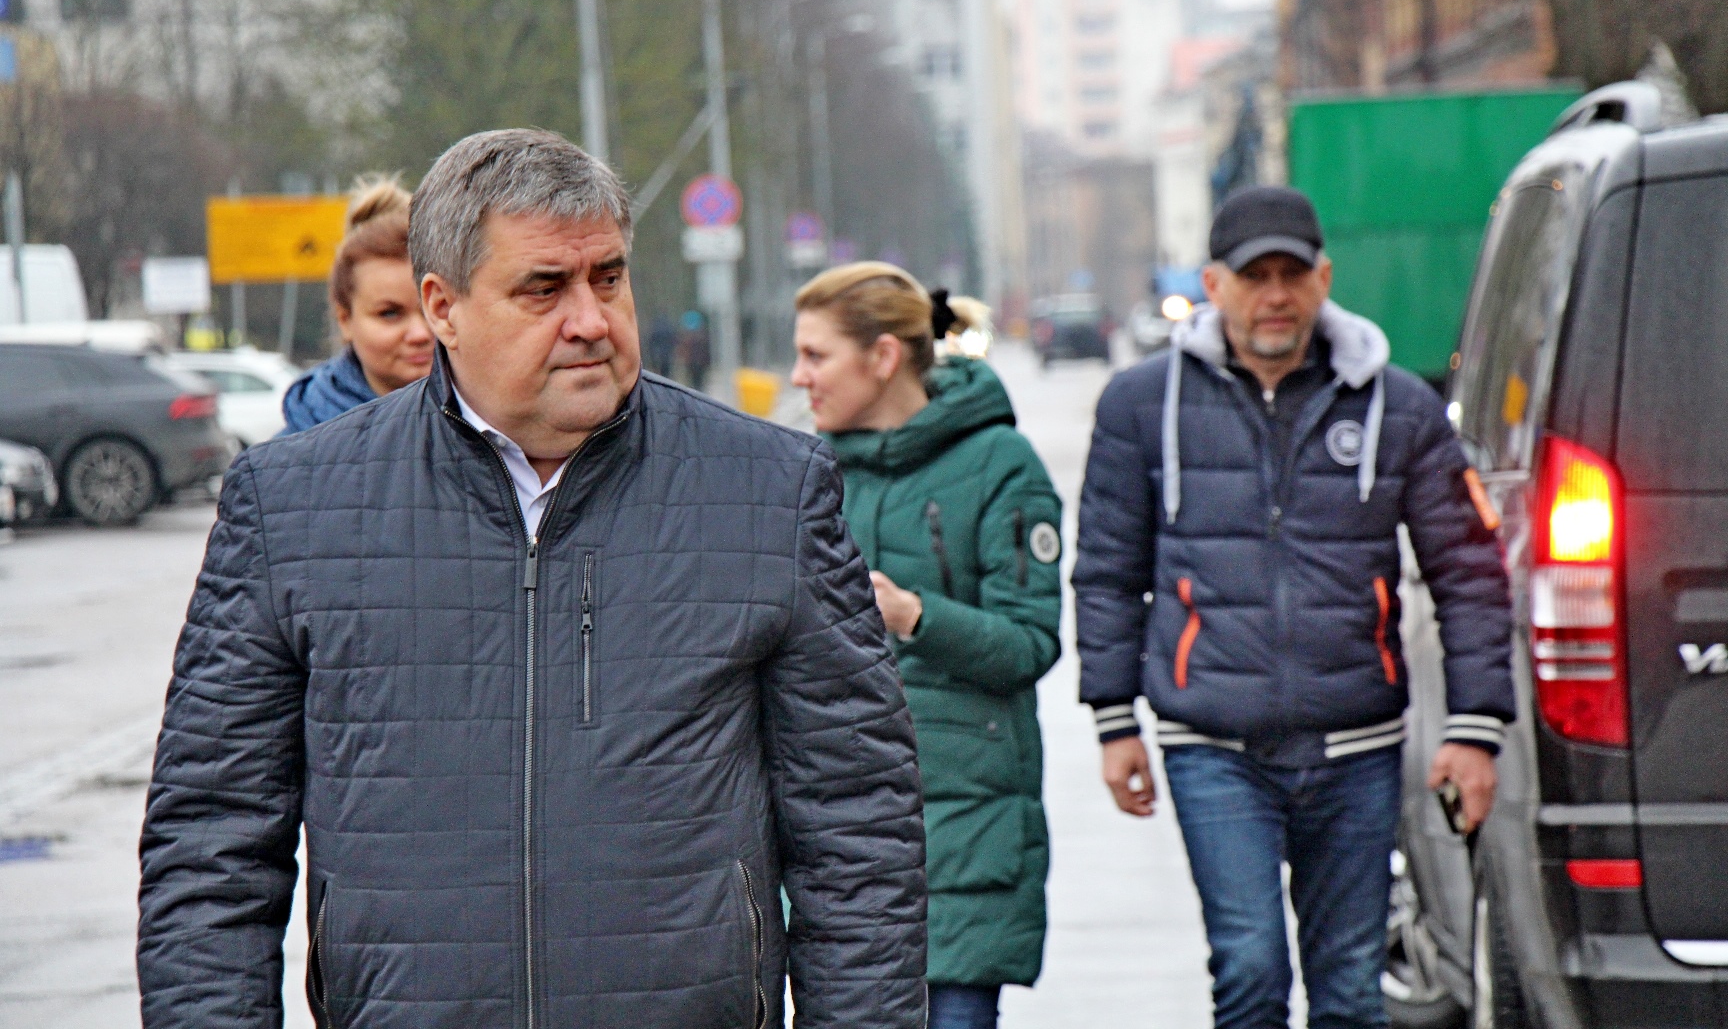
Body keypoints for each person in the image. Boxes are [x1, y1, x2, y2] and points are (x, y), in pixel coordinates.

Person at [138, 130, 927, 1028]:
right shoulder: (290, 506)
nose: (591, 319)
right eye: (543, 289)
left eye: (608, 278)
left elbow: (859, 832)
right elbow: (210, 846)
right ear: (443, 307)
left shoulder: (773, 493)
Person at [1073, 186, 1514, 1029]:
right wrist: (1113, 718)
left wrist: (1475, 728)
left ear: (1324, 279)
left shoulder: (1399, 408)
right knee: (1249, 969)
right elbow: (1107, 570)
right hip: (1213, 744)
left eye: (1292, 274)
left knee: (1348, 989)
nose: (1274, 295)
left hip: (1357, 747)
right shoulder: (1141, 406)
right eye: (1254, 277)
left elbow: (1468, 570)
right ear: (1213, 284)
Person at [792, 263, 1062, 1029]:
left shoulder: (1000, 464)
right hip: (836, 833)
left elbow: (1029, 643)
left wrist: (911, 615)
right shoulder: (800, 471)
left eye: (816, 356)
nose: (798, 376)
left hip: (969, 827)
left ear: (882, 357)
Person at [279, 176, 434, 434]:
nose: (420, 334)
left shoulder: (497, 431)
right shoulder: (295, 450)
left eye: (435, 307)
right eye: (390, 313)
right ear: (345, 319)